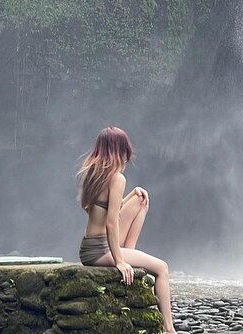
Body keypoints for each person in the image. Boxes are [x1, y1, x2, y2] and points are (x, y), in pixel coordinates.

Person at [77, 126, 176, 334]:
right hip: (101, 250)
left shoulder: (92, 172)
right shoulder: (116, 178)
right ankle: (169, 329)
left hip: (89, 247)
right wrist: (120, 261)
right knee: (162, 268)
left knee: (141, 199)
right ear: (119, 150)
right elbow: (111, 222)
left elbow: (101, 210)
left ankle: (129, 251)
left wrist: (131, 195)